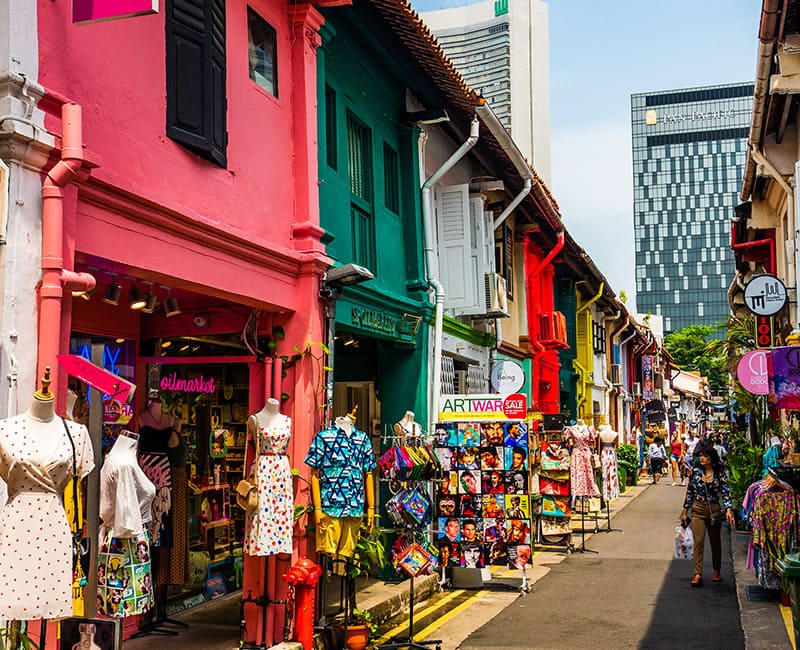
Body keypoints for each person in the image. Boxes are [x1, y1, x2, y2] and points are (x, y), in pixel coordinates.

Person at [679, 442, 735, 587]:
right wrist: (685, 511)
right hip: (698, 508)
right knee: (698, 541)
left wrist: (728, 509)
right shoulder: (696, 472)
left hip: (714, 510)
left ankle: (717, 570)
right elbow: (690, 492)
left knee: (715, 542)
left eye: (705, 456)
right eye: (701, 456)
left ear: (711, 458)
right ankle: (698, 573)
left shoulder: (719, 473)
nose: (702, 458)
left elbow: (725, 492)